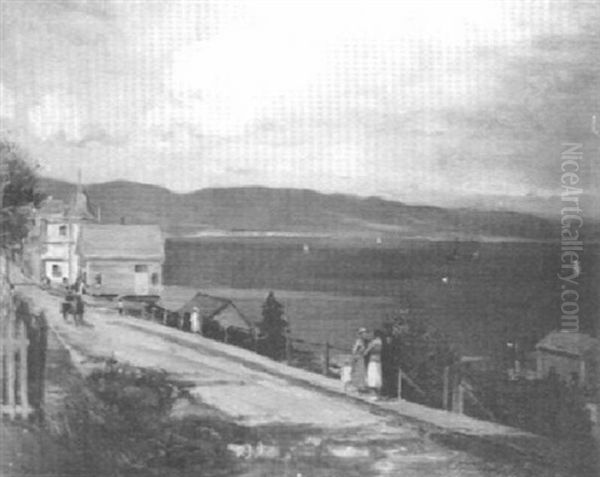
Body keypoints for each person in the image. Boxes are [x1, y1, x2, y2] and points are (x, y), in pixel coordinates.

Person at [363, 329, 383, 400]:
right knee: (378, 377)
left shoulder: (374, 342)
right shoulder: (380, 342)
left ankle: (374, 394)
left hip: (372, 360)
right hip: (379, 360)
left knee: (372, 377)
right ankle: (379, 394)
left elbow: (366, 352)